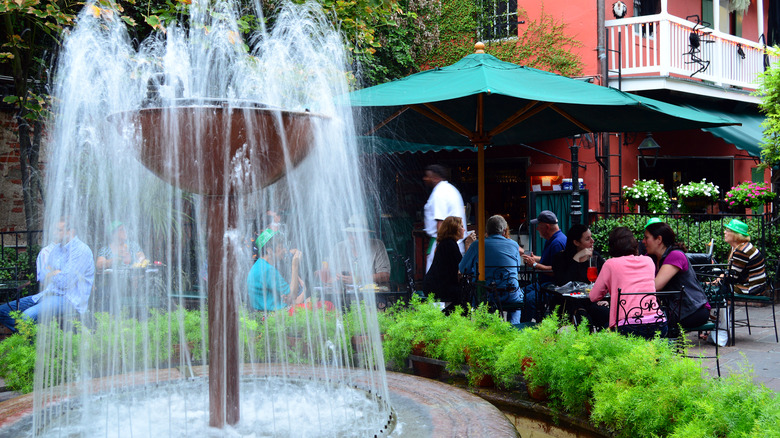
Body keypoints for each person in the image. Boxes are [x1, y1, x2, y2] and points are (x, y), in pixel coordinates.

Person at [0, 217, 95, 333]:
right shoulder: (56, 250)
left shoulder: (81, 251)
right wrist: (55, 273)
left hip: (68, 299)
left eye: (58, 230)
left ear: (71, 231)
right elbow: (44, 276)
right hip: (47, 294)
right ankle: (32, 339)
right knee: (3, 311)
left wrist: (52, 274)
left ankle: (30, 343)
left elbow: (64, 282)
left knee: (26, 317)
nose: (54, 233)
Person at [588, 227, 660, 338]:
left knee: (602, 325)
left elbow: (593, 297)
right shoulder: (649, 261)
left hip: (628, 327)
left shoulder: (610, 264)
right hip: (658, 323)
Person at [643, 219, 710, 335]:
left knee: (648, 323)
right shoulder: (652, 257)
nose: (643, 241)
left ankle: (663, 351)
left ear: (659, 239)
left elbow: (656, 286)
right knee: (642, 320)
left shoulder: (675, 255)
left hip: (694, 310)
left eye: (646, 238)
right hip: (674, 310)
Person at [459, 215, 524, 324]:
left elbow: (462, 268)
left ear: (487, 231)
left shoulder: (477, 245)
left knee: (481, 297)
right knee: (516, 304)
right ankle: (515, 328)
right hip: (510, 292)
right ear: (504, 231)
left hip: (487, 294)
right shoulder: (514, 245)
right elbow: (516, 268)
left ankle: (488, 331)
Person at [520, 210, 567, 322]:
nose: (536, 229)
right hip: (542, 284)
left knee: (528, 300)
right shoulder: (552, 240)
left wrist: (535, 265)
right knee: (520, 293)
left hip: (552, 287)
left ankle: (528, 327)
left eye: (538, 226)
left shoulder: (557, 243)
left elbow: (557, 270)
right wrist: (534, 258)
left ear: (546, 227)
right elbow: (550, 260)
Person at [423, 216, 476, 311]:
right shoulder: (449, 245)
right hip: (437, 287)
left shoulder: (447, 243)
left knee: (465, 292)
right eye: (462, 226)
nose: (464, 229)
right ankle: (447, 316)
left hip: (436, 284)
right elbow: (462, 269)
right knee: (466, 293)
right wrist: (468, 246)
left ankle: (448, 316)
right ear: (455, 229)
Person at [422, 164, 467, 272]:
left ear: (435, 178)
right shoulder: (450, 190)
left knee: (435, 282)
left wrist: (439, 247)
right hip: (453, 244)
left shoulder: (439, 193)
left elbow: (440, 223)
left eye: (428, 176)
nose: (425, 179)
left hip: (444, 244)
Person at [247, 229, 305, 311]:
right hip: (272, 317)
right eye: (280, 247)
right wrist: (295, 265)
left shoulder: (260, 265)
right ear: (269, 250)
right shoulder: (267, 270)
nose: (284, 250)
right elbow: (292, 296)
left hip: (262, 314)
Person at [322, 218, 392, 285]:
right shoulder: (338, 247)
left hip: (371, 293)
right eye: (352, 234)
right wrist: (332, 277)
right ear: (347, 234)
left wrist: (359, 279)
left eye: (359, 234)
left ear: (366, 234)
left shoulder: (377, 245)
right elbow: (328, 274)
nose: (355, 237)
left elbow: (385, 276)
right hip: (344, 294)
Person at [722, 219, 767, 296]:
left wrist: (718, 278)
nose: (724, 232)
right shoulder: (741, 246)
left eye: (727, 230)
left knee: (714, 289)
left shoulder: (741, 251)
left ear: (736, 235)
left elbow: (732, 277)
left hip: (752, 288)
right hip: (757, 286)